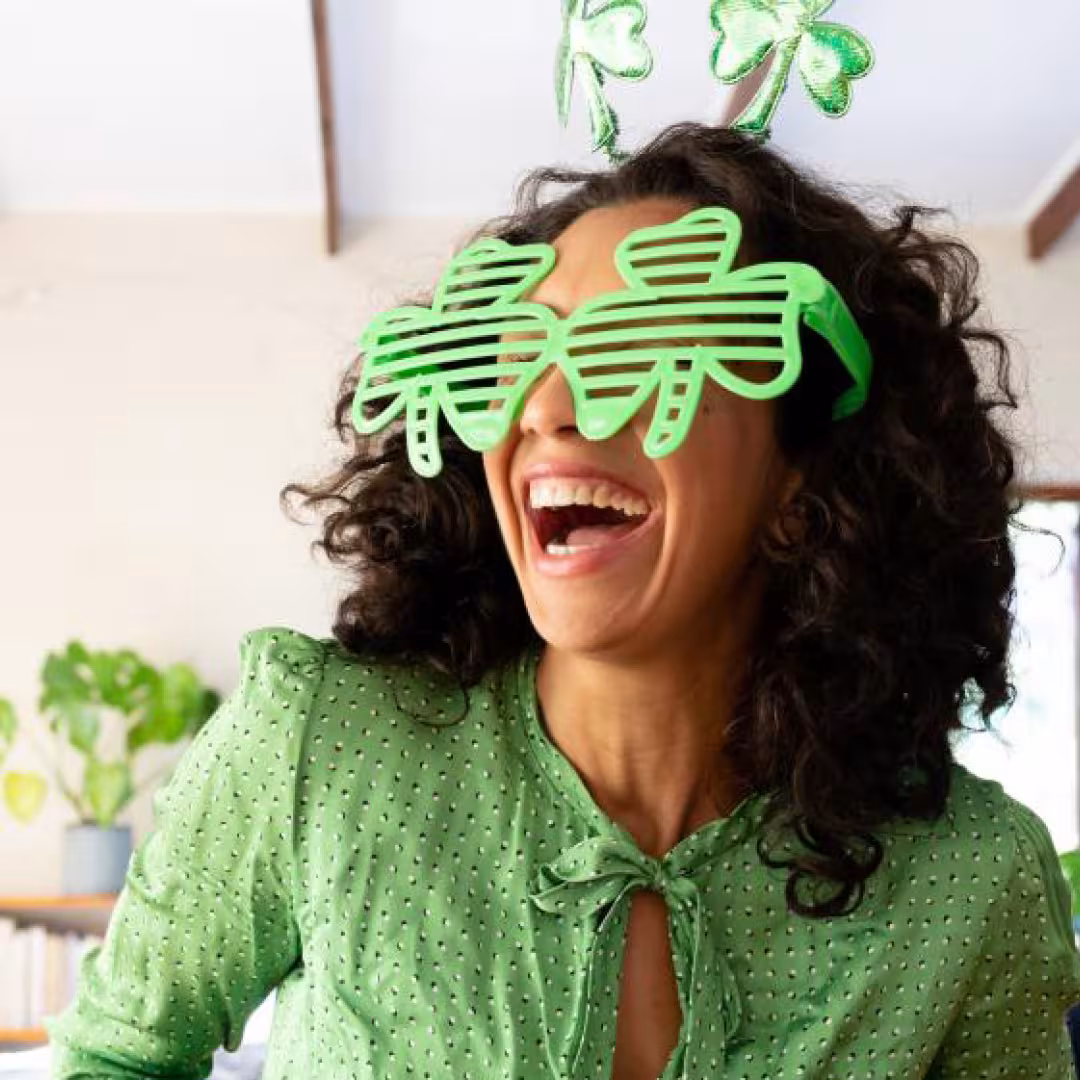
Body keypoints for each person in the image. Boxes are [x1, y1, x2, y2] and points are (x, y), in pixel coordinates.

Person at [47, 123, 1080, 1079]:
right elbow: (115, 1060)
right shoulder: (314, 750)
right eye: (515, 357)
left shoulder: (971, 884)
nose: (547, 406)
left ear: (801, 487)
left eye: (640, 349)